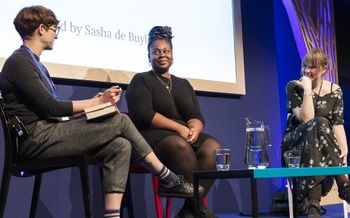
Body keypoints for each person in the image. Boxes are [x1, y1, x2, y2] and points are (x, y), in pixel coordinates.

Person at [0, 6, 204, 218]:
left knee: (120, 145)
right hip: (36, 140)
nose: (56, 35)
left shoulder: (36, 64)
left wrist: (97, 104)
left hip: (49, 132)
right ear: (41, 29)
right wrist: (95, 103)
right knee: (122, 122)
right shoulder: (19, 62)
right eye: (54, 29)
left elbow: (54, 114)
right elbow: (52, 108)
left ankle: (112, 216)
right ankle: (168, 178)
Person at [126, 26, 221, 218]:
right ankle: (196, 208)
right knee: (179, 144)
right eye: (156, 52)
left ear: (172, 55)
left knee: (214, 148)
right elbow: (142, 114)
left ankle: (189, 210)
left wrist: (194, 129)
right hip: (152, 136)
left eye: (166, 51)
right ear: (149, 56)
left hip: (183, 134)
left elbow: (196, 114)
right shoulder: (141, 80)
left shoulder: (183, 84)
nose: (162, 55)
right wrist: (179, 128)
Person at [282, 48, 350, 218]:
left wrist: (343, 150)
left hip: (321, 147)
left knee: (322, 128)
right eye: (305, 65)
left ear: (324, 69)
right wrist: (307, 90)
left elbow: (337, 124)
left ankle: (314, 205)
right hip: (295, 144)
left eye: (312, 67)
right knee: (318, 123)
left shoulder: (335, 91)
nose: (307, 70)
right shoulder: (294, 87)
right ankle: (344, 184)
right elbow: (307, 119)